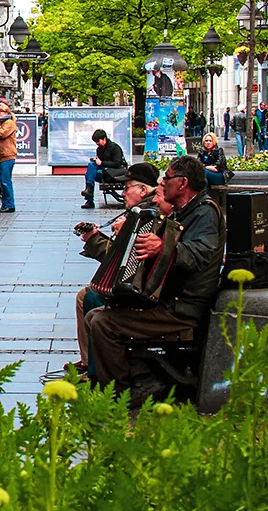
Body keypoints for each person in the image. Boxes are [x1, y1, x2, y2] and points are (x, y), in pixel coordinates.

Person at [85, 155, 225, 403]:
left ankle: (120, 394)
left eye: (167, 178)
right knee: (95, 314)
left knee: (104, 323)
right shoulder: (184, 211)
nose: (162, 183)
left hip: (183, 307)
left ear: (182, 183)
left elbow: (199, 254)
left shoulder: (205, 213)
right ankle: (141, 376)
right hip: (168, 299)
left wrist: (162, 247)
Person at [74, 162, 160, 377]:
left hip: (147, 294)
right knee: (87, 295)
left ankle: (95, 370)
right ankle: (90, 363)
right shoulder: (138, 213)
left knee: (90, 297)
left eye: (126, 188)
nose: (122, 193)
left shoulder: (147, 215)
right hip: (144, 287)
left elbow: (125, 259)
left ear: (143, 190)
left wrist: (97, 240)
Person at [80, 129, 126, 210]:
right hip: (104, 172)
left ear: (104, 139)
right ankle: (89, 192)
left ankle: (89, 197)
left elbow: (117, 164)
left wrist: (101, 163)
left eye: (98, 141)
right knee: (91, 167)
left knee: (90, 174)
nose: (97, 143)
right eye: (95, 142)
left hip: (114, 174)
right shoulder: (99, 149)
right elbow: (100, 164)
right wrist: (97, 161)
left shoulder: (115, 148)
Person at [0, 100, 17, 213]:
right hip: (0, 156)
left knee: (6, 181)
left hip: (7, 156)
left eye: (0, 112)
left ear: (6, 112)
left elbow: (2, 134)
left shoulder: (9, 123)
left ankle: (9, 204)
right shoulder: (2, 123)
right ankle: (5, 204)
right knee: (2, 181)